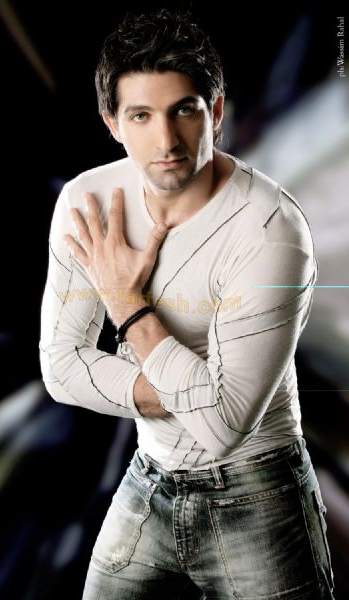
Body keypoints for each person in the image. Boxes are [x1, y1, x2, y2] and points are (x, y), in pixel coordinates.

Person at [39, 8, 335, 599]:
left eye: (184, 110)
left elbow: (224, 428)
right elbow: (62, 368)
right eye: (141, 116)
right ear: (112, 123)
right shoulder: (87, 203)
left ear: (216, 111)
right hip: (149, 478)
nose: (167, 141)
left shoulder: (270, 229)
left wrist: (127, 304)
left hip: (259, 491)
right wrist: (194, 394)